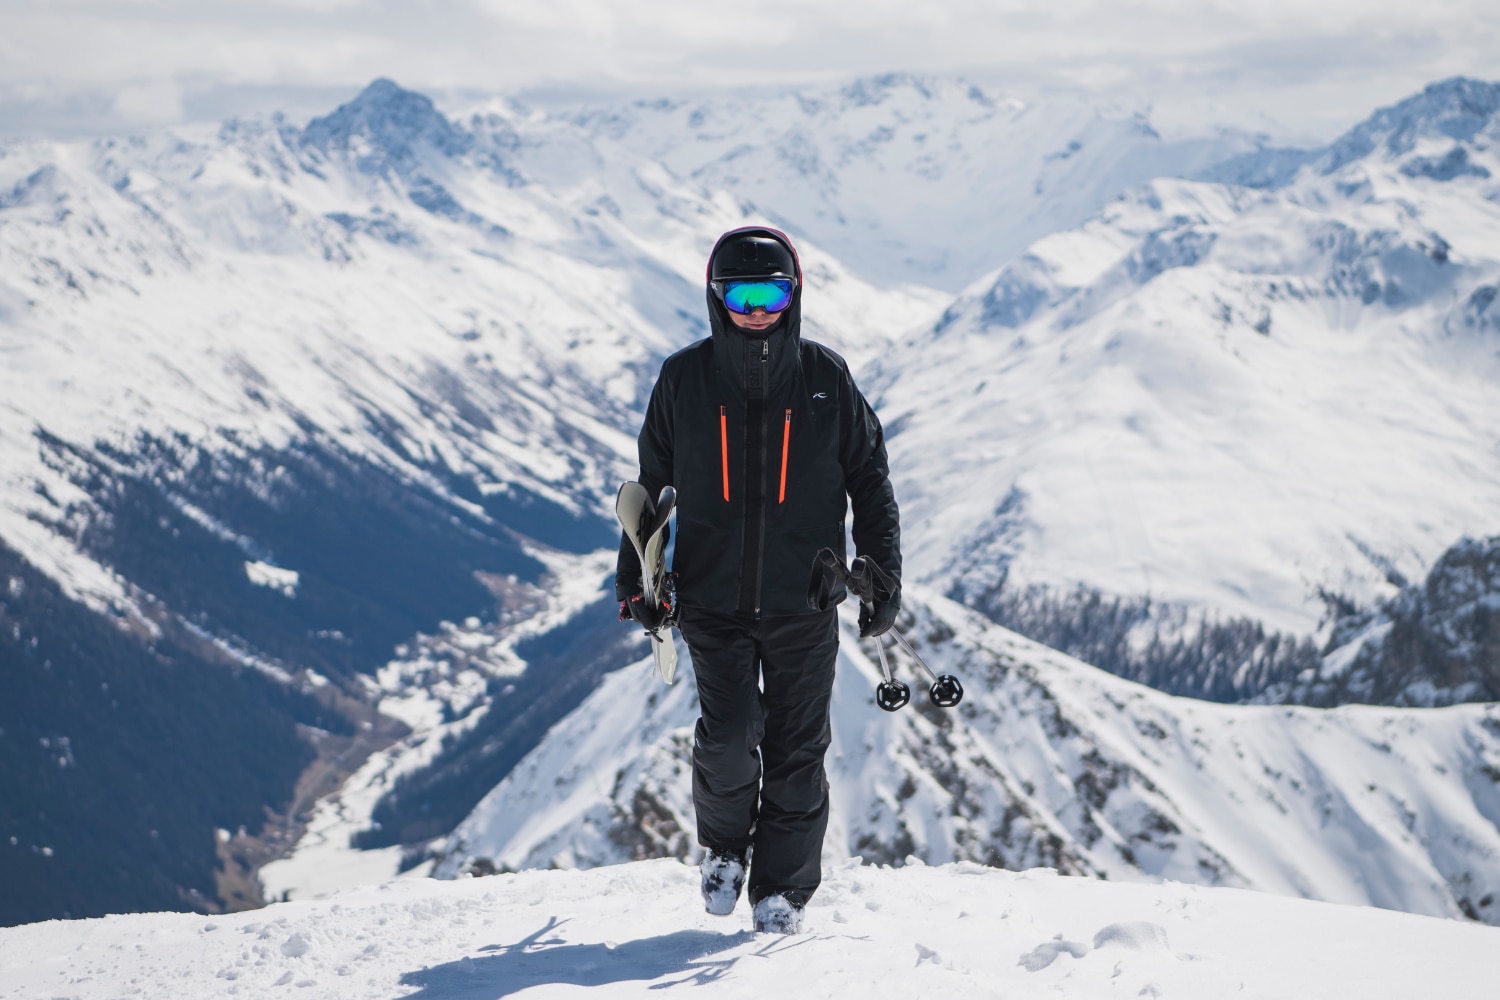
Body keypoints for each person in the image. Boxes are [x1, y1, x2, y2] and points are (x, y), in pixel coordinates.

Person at [616, 226, 901, 934]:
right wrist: (637, 580)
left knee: (798, 752)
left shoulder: (826, 379)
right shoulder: (683, 379)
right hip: (710, 599)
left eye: (769, 294)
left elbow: (870, 479)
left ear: (793, 294)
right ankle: (723, 849)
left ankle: (783, 892)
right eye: (739, 295)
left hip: (805, 600)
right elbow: (650, 489)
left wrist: (882, 572)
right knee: (729, 735)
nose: (754, 311)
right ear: (716, 296)